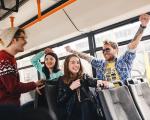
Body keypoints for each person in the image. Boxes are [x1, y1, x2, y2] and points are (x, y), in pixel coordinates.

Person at [65, 14, 150, 85]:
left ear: (116, 49)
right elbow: (86, 57)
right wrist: (72, 51)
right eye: (103, 51)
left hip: (124, 92)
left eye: (107, 49)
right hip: (106, 96)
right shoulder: (100, 64)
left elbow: (133, 46)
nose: (104, 52)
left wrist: (142, 26)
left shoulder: (124, 61)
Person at [0, 27, 44, 106]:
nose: (26, 42)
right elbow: (13, 88)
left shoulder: (10, 58)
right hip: (6, 109)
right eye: (23, 38)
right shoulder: (4, 59)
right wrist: (34, 84)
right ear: (14, 40)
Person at [57, 54, 104, 120]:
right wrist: (71, 88)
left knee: (88, 104)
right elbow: (60, 101)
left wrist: (101, 82)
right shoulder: (62, 79)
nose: (76, 65)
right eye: (73, 62)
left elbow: (93, 81)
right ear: (67, 65)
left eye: (78, 62)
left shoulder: (84, 77)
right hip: (72, 112)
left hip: (88, 109)